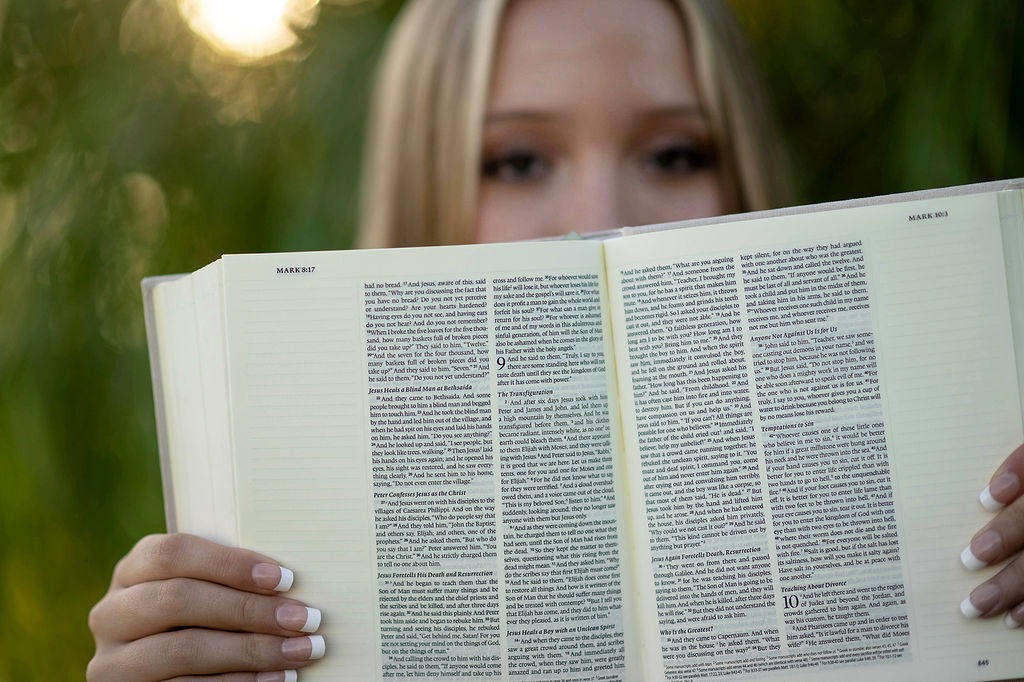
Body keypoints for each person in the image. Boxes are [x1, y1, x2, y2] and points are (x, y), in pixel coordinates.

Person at [87, 0, 1024, 680]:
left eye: (674, 154)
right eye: (519, 160)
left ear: (742, 178)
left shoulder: (942, 463)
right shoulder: (275, 517)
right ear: (426, 189)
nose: (602, 219)